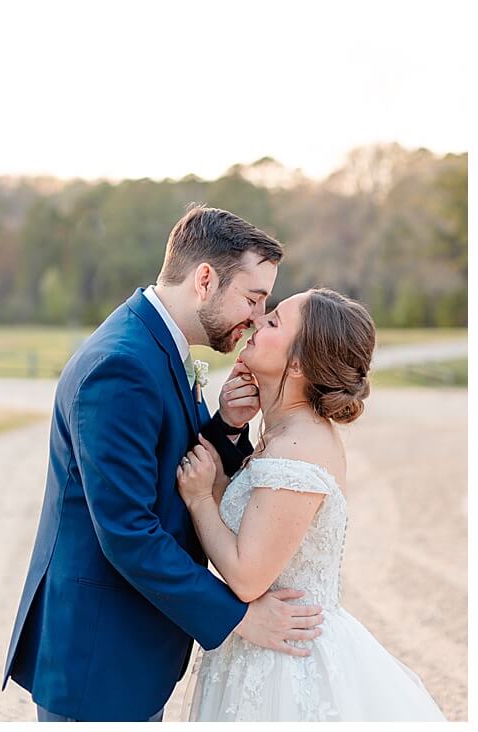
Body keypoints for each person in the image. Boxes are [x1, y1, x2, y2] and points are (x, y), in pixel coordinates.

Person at [3, 205, 324, 722]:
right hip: (99, 656)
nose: (255, 318)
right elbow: (128, 531)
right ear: (204, 279)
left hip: (127, 647)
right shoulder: (121, 365)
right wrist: (241, 617)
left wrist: (226, 426)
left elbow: (170, 464)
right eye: (252, 298)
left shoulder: (158, 343)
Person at [176, 288, 445, 721]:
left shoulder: (298, 448)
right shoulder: (284, 433)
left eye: (275, 321)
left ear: (298, 363)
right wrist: (225, 460)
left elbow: (247, 577)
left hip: (284, 661)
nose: (258, 321)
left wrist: (199, 499)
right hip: (257, 646)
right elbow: (254, 525)